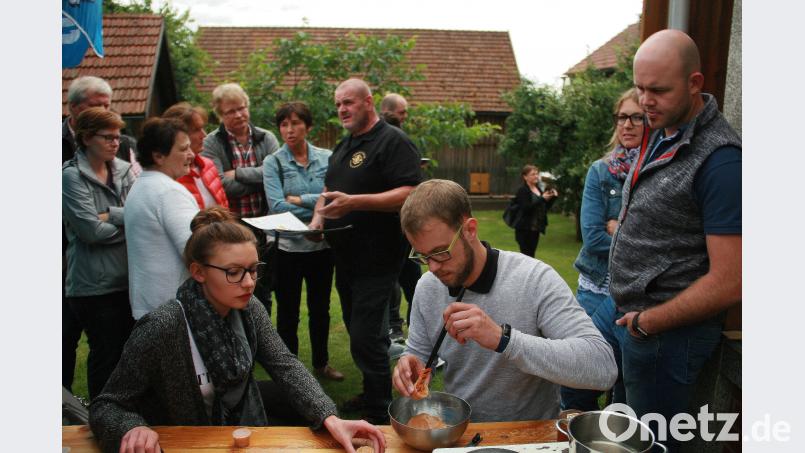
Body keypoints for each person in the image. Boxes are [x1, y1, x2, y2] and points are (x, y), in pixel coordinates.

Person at [89, 207, 386, 453]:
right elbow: (107, 405)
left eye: (254, 269)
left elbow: (285, 365)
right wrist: (133, 427)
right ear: (198, 272)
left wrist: (330, 417)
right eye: (233, 272)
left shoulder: (248, 307)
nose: (248, 283)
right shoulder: (164, 327)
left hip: (237, 440)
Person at [606, 30, 741, 451]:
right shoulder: (665, 128)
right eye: (641, 88)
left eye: (658, 90)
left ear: (695, 83)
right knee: (626, 438)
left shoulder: (721, 162)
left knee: (654, 444)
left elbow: (732, 279)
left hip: (667, 337)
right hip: (637, 325)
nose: (645, 102)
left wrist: (649, 324)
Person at [391, 179, 617, 421]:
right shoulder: (428, 287)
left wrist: (504, 339)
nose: (433, 268)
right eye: (424, 256)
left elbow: (602, 367)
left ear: (470, 230)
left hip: (529, 437)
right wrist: (409, 364)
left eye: (441, 252)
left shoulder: (533, 279)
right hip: (459, 432)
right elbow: (420, 355)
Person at [309, 78, 421, 424]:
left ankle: (380, 409)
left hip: (380, 256)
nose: (342, 109)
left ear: (368, 102)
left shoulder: (392, 141)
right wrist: (316, 222)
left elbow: (411, 192)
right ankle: (374, 392)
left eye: (349, 103)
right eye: (338, 104)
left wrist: (355, 202)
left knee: (364, 334)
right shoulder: (345, 146)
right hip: (345, 255)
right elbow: (329, 189)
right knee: (361, 331)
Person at [560, 88, 644, 411]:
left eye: (637, 117)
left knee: (623, 380)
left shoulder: (657, 172)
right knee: (577, 375)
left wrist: (618, 228)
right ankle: (577, 432)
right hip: (596, 288)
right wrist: (629, 236)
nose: (628, 125)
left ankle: (612, 436)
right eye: (623, 117)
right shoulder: (601, 171)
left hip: (633, 293)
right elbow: (593, 237)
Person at [62, 76, 139, 393]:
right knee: (104, 357)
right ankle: (101, 418)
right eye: (107, 137)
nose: (115, 143)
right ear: (87, 138)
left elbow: (139, 213)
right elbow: (90, 231)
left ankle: (123, 415)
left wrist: (114, 215)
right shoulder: (70, 176)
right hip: (93, 286)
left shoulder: (123, 169)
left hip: (126, 279)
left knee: (126, 355)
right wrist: (127, 221)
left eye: (118, 137)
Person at [262, 102, 343, 382]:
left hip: (321, 249)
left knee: (321, 310)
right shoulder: (273, 162)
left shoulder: (329, 158)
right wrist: (315, 211)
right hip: (288, 250)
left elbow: (334, 195)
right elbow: (276, 207)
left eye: (295, 123)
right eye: (284, 124)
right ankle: (291, 373)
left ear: (308, 127)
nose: (289, 130)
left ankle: (321, 365)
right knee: (288, 314)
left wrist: (300, 200)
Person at [202, 82, 279, 313]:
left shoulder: (266, 138)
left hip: (264, 230)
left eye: (242, 108)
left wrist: (238, 174)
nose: (238, 114)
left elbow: (275, 177)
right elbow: (221, 186)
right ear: (219, 115)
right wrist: (261, 179)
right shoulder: (212, 143)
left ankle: (261, 346)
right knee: (234, 294)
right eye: (230, 111)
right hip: (231, 231)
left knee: (263, 296)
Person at [125, 118, 199, 319]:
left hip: (149, 304)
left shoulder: (141, 185)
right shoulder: (169, 192)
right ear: (158, 155)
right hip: (173, 307)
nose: (191, 155)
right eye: (183, 149)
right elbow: (195, 251)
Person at [163, 102, 229, 209]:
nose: (204, 135)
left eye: (202, 128)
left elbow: (225, 207)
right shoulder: (170, 176)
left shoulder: (208, 165)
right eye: (196, 130)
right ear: (176, 136)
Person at [512, 165, 557, 258]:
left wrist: (553, 198)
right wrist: (542, 198)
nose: (536, 176)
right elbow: (525, 208)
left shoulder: (538, 189)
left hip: (535, 229)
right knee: (526, 257)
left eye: (537, 174)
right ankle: (524, 273)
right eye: (533, 174)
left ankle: (529, 273)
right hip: (524, 229)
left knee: (531, 256)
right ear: (525, 177)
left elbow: (543, 208)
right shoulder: (523, 191)